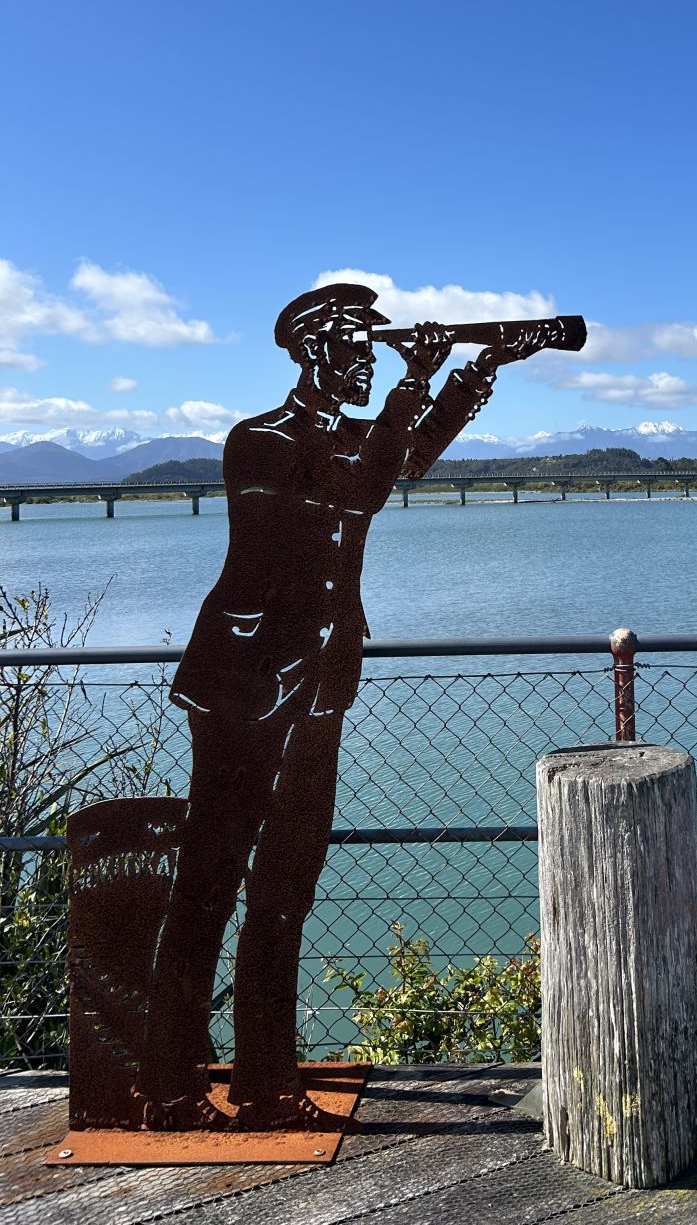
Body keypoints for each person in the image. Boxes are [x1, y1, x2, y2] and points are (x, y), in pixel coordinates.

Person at [138, 283, 538, 1130]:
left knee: (286, 887)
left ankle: (266, 1082)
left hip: (320, 685)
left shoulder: (353, 438)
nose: (371, 358)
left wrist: (475, 371)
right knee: (208, 882)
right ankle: (168, 1084)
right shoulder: (260, 442)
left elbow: (410, 458)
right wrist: (411, 383)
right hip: (243, 689)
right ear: (312, 347)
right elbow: (357, 489)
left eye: (375, 347)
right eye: (359, 344)